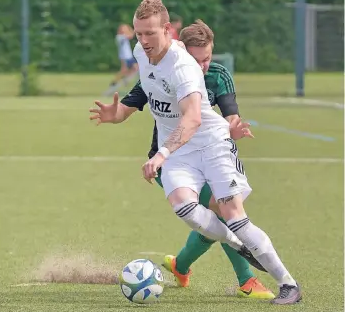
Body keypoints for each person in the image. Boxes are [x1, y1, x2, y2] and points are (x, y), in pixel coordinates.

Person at [90, 0, 301, 305]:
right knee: (186, 209)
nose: (144, 40)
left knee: (233, 215)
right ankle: (236, 244)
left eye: (150, 33)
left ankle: (288, 284)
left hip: (211, 145)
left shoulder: (184, 66)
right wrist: (117, 114)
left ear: (167, 30)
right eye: (139, 33)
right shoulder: (141, 53)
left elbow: (193, 119)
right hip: (179, 152)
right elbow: (142, 100)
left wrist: (160, 154)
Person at [114, 21, 273, 299]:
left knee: (218, 217)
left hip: (206, 157)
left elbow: (230, 112)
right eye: (195, 59)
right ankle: (247, 281)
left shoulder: (218, 75)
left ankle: (180, 265)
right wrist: (112, 112)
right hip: (171, 160)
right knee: (221, 215)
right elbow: (128, 105)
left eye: (207, 59)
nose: (202, 66)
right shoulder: (162, 71)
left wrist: (232, 126)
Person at [107, 24, 138, 94]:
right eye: (124, 29)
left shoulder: (122, 36)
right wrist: (133, 29)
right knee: (124, 70)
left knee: (135, 68)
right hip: (124, 57)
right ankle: (114, 82)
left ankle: (125, 79)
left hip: (129, 56)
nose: (125, 30)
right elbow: (131, 36)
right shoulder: (119, 37)